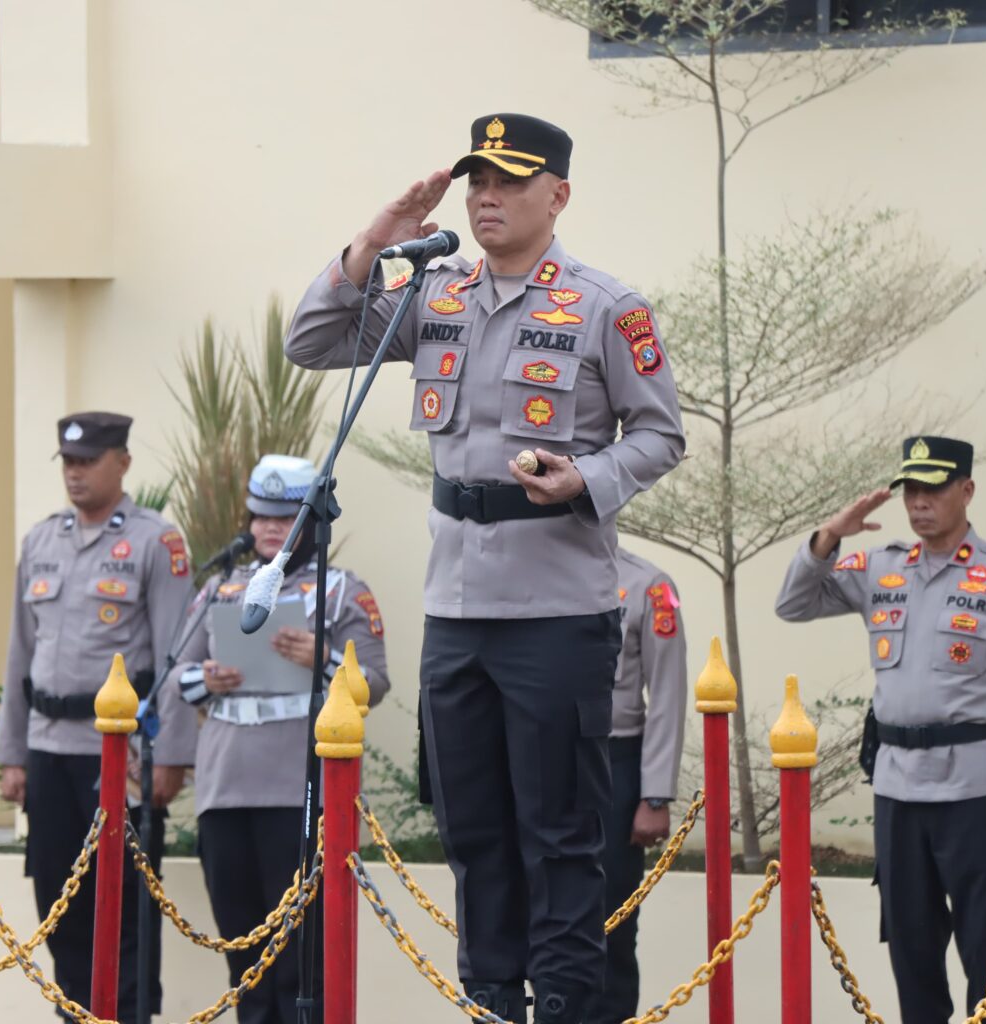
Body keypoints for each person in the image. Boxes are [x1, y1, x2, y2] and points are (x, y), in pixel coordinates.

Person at [284, 114, 685, 1023]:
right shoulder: (441, 292)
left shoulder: (602, 306)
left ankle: (571, 1008)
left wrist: (586, 476)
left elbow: (662, 432)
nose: (486, 197)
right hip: (458, 607)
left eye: (508, 181)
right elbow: (310, 342)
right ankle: (493, 1002)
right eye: (478, 182)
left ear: (559, 195)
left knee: (559, 839)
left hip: (556, 610)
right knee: (474, 835)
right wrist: (379, 236)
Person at [774, 436, 986, 1024]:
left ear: (966, 491)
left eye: (934, 489)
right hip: (898, 789)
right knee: (911, 948)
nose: (919, 503)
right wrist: (829, 536)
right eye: (911, 491)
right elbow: (793, 604)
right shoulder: (880, 565)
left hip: (976, 793)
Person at [166, 454, 391, 1024]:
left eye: (285, 516)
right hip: (225, 789)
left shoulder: (342, 591)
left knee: (300, 958)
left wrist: (324, 659)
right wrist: (206, 678)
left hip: (299, 792)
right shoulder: (221, 588)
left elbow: (377, 681)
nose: (270, 528)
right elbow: (176, 673)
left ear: (311, 521)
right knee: (243, 957)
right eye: (261, 516)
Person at [0, 412, 195, 1023]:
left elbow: (174, 655)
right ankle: (75, 1015)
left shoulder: (157, 542)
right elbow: (18, 654)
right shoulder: (42, 541)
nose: (75, 474)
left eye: (88, 461)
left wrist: (174, 757)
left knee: (126, 906)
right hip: (50, 748)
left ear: (122, 462)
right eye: (69, 463)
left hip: (120, 755)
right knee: (58, 900)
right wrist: (12, 754)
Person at [587, 548, 687, 1024]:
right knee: (535, 911)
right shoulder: (533, 580)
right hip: (543, 762)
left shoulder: (650, 585)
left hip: (616, 765)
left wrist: (655, 794)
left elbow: (666, 693)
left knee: (613, 920)